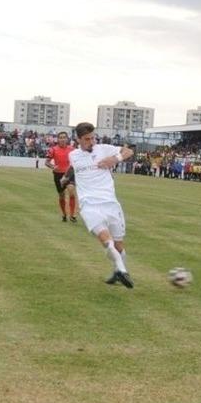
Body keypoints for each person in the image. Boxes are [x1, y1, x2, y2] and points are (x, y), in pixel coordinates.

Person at [68, 122, 135, 288]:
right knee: (106, 240)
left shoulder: (103, 148)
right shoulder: (74, 155)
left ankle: (116, 272)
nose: (91, 142)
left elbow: (129, 151)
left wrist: (115, 159)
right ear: (78, 139)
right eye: (87, 139)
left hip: (111, 204)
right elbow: (75, 169)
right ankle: (121, 270)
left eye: (93, 138)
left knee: (118, 245)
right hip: (89, 205)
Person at [46, 131, 77, 223]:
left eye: (64, 137)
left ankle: (72, 215)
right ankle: (64, 214)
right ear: (58, 139)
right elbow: (47, 162)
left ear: (67, 139)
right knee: (62, 195)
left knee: (71, 191)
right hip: (58, 175)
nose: (62, 139)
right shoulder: (53, 149)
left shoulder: (72, 150)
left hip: (69, 174)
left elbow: (77, 161)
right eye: (61, 137)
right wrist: (52, 166)